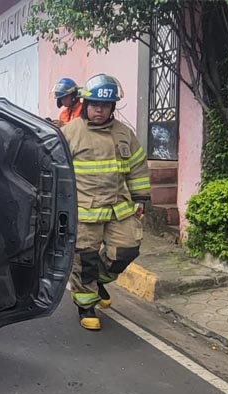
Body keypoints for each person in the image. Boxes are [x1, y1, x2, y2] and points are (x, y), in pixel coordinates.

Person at [61, 74, 150, 331]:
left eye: (106, 105)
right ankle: (86, 306)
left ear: (112, 107)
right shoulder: (69, 134)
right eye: (95, 105)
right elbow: (54, 171)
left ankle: (99, 282)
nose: (99, 110)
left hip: (118, 208)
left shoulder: (124, 134)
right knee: (86, 260)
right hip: (85, 211)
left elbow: (137, 168)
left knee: (127, 250)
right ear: (86, 104)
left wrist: (141, 197)